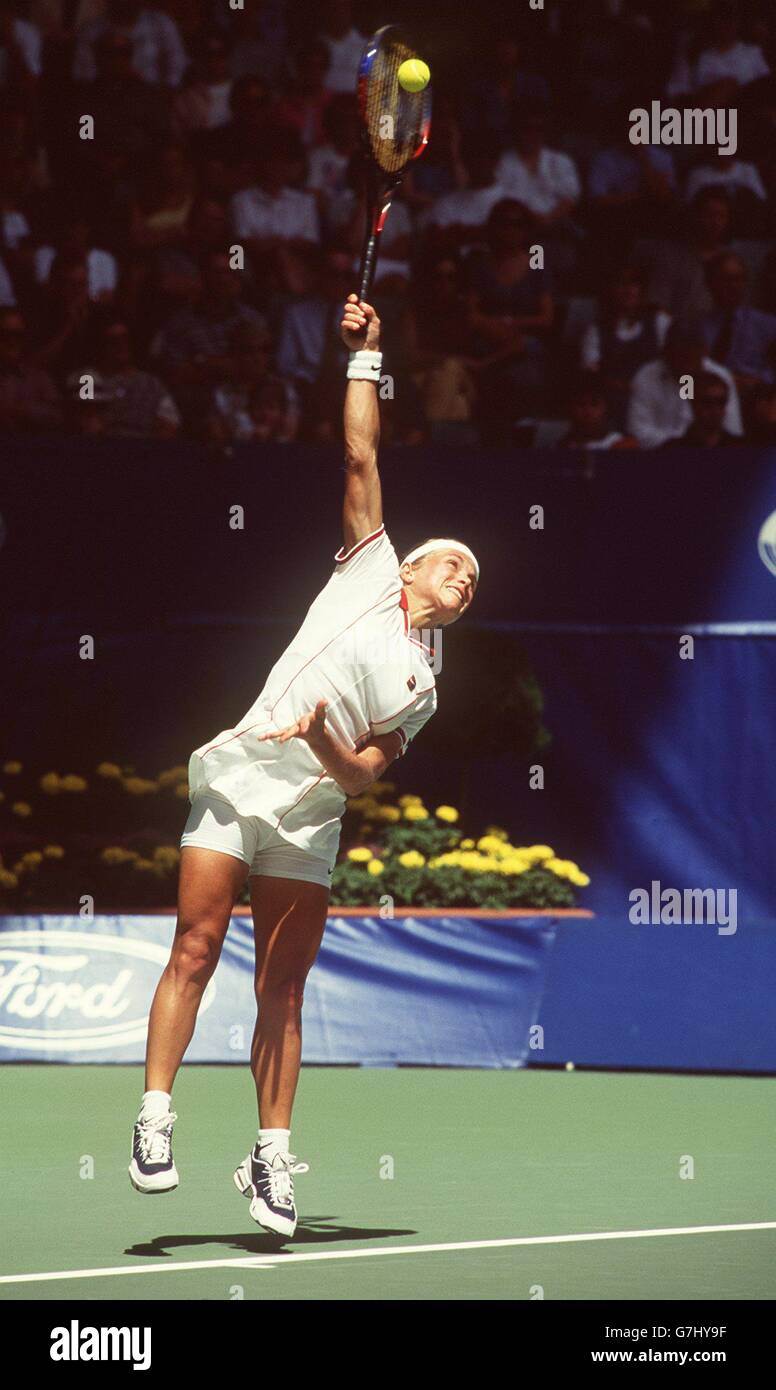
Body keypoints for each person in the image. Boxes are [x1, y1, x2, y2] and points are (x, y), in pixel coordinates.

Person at [129, 291, 480, 1238]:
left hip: (311, 814)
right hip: (243, 777)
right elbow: (360, 453)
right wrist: (366, 357)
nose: (464, 580)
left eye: (475, 583)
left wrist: (322, 737)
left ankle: (271, 1161)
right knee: (194, 948)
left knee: (282, 988)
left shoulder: (427, 688)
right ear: (408, 570)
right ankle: (155, 1120)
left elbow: (362, 772)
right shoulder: (370, 565)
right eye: (453, 566)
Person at [627, 322, 743, 448]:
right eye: (681, 355)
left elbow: (733, 429)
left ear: (704, 351)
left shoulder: (720, 377)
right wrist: (680, 446)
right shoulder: (646, 376)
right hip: (659, 456)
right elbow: (637, 431)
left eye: (692, 355)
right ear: (666, 352)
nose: (686, 365)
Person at [660, 370, 743, 447]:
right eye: (707, 402)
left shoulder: (739, 449)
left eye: (721, 402)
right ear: (693, 404)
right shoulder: (673, 450)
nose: (715, 410)